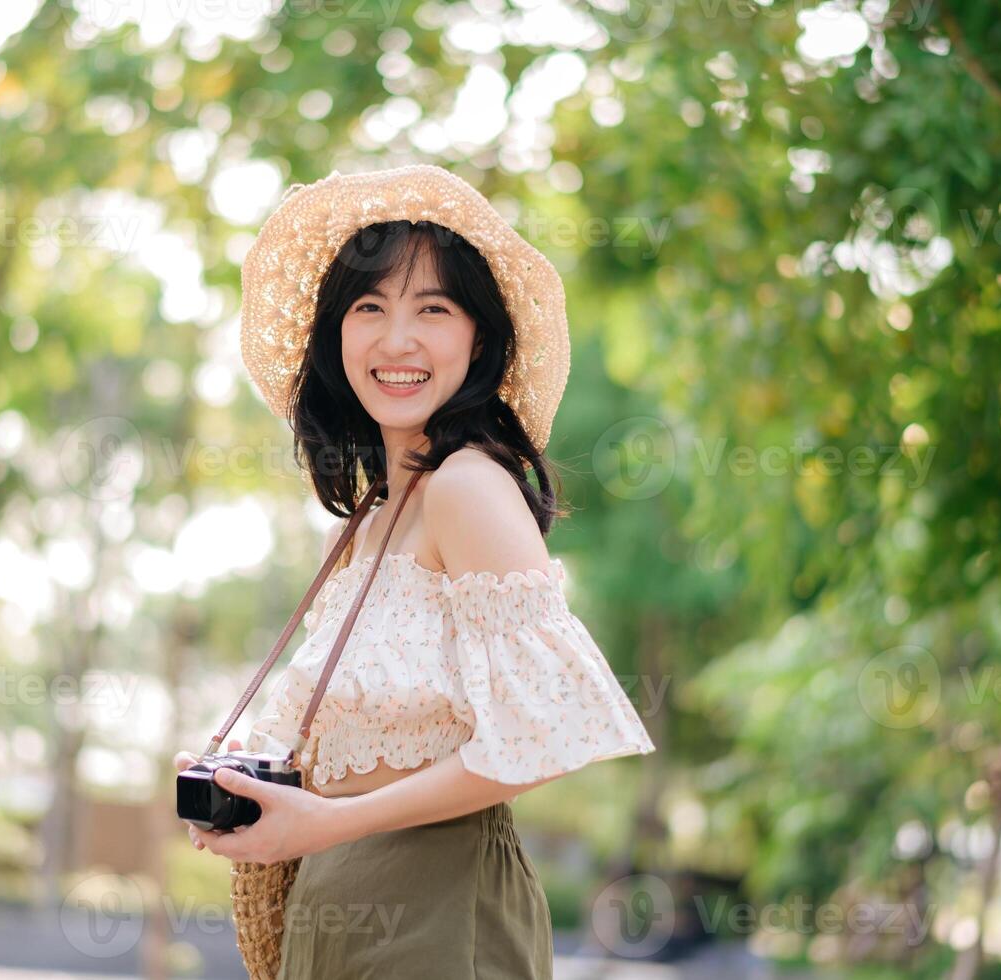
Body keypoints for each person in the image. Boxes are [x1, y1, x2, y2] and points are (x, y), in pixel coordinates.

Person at [175, 164, 656, 979]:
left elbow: (550, 734)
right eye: (369, 308)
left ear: (479, 338)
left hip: (436, 904)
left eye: (432, 309)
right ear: (335, 338)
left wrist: (325, 825)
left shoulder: (468, 485)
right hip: (334, 910)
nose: (396, 340)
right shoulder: (373, 518)